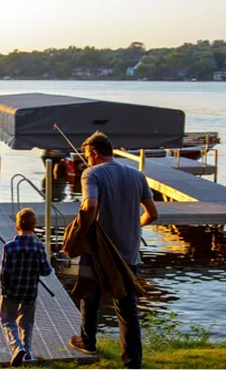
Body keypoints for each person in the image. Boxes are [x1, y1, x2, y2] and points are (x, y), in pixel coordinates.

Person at [68, 131, 158, 369]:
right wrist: (134, 225)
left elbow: (90, 205)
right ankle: (132, 363)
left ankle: (87, 342)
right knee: (128, 310)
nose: (86, 160)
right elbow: (153, 214)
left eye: (87, 155)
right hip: (128, 253)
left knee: (89, 295)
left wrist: (84, 231)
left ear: (95, 153)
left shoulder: (92, 173)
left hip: (99, 252)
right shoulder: (137, 175)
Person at [0, 208, 53, 366]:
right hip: (30, 293)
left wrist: (4, 291)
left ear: (17, 226)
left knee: (8, 319)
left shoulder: (9, 247)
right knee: (26, 323)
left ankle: (17, 346)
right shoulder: (39, 247)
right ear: (34, 227)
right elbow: (46, 271)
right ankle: (27, 354)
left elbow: (4, 273)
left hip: (12, 292)